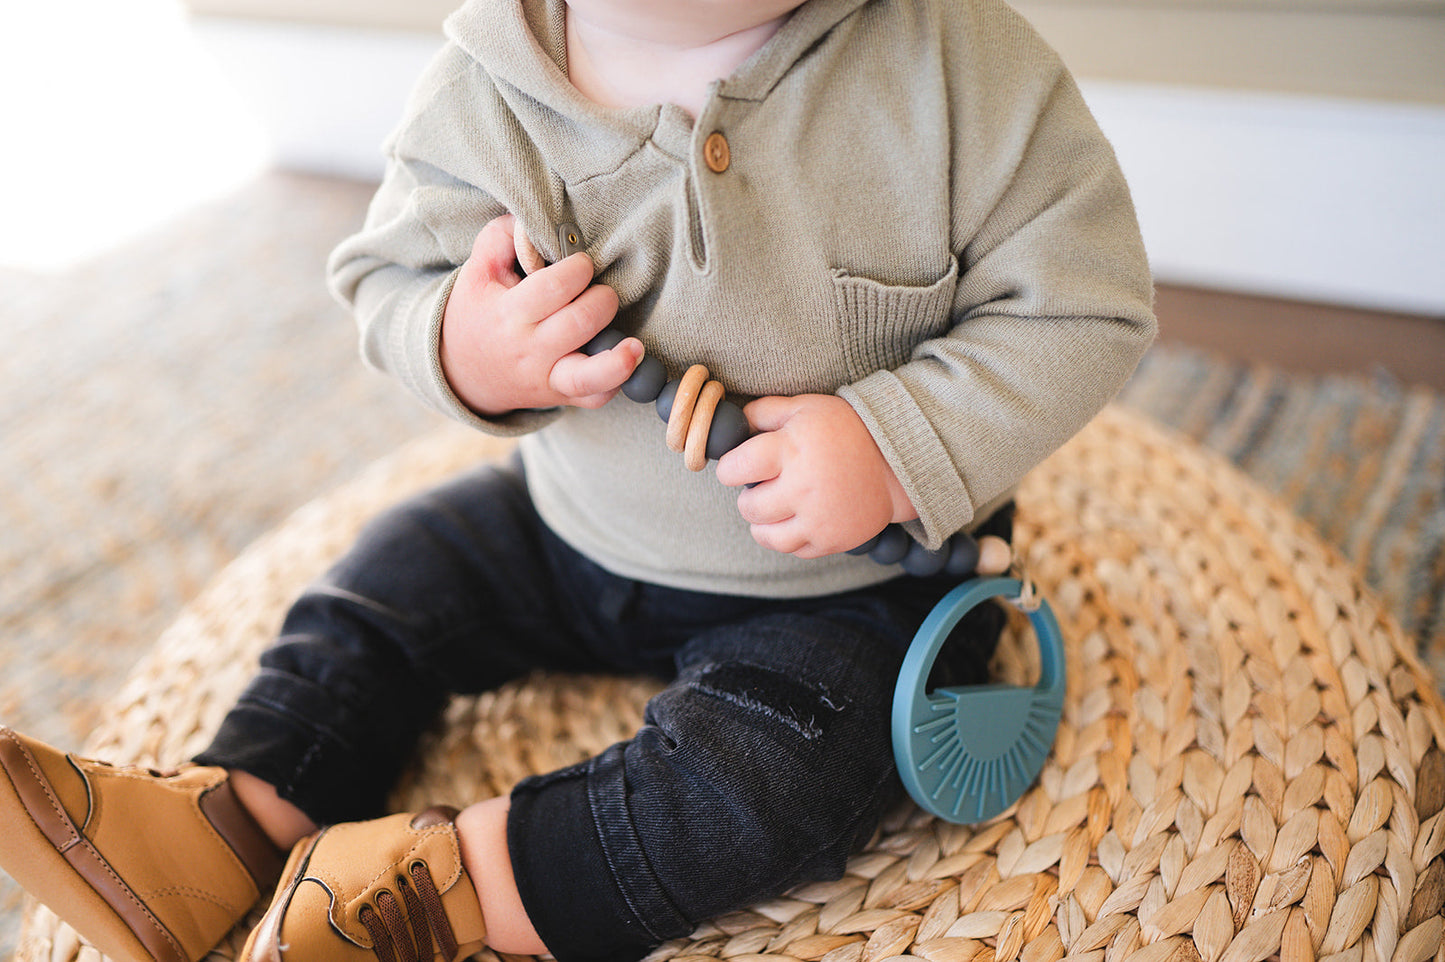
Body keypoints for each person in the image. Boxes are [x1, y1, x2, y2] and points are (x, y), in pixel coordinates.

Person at [0, 0, 1156, 960]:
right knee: (390, 574)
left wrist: (894, 442)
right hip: (571, 524)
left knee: (772, 776)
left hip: (847, 584)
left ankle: (460, 883)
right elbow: (387, 280)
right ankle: (242, 812)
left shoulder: (954, 61)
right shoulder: (489, 80)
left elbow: (1083, 297)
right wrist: (467, 342)